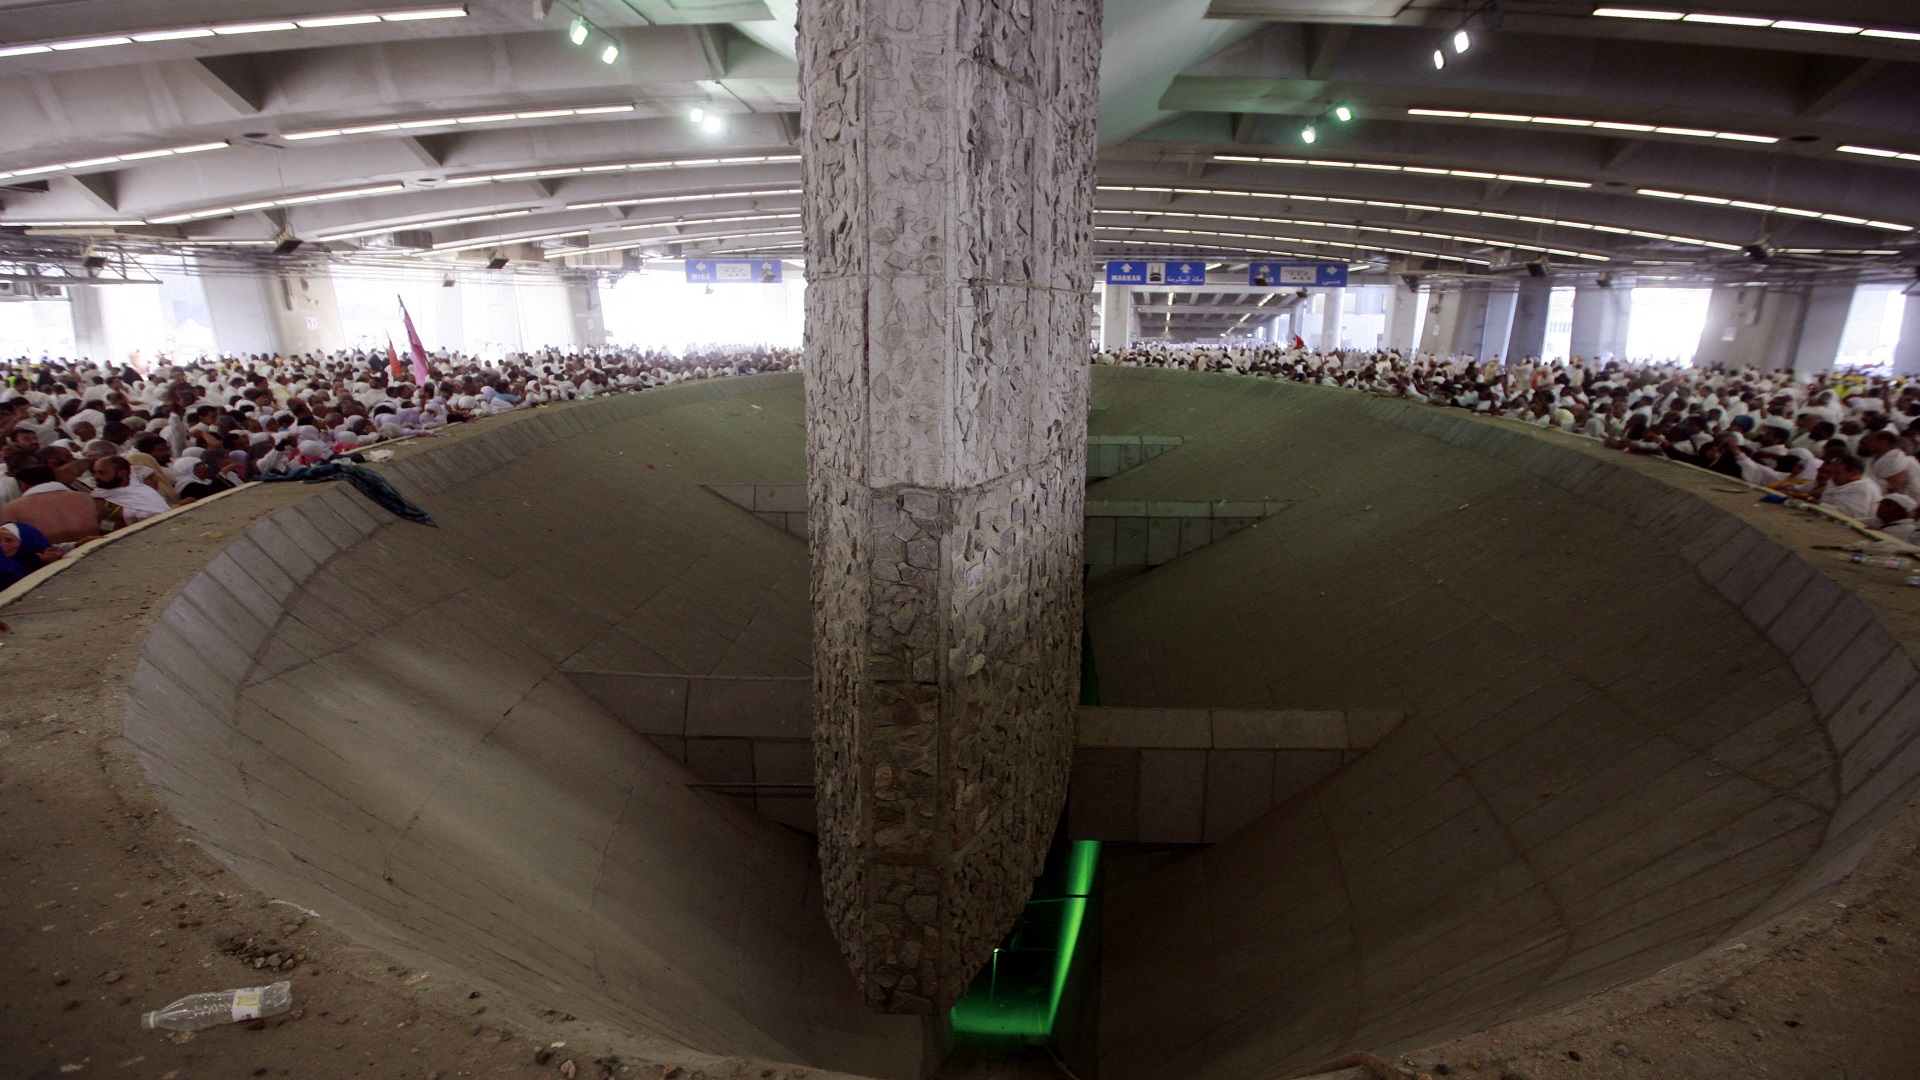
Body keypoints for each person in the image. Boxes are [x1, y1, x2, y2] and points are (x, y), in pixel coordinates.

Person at [1, 463, 100, 544]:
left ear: (22, 484)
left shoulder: (12, 508)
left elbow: (6, 544)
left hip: (50, 561)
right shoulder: (84, 497)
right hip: (96, 549)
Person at [89, 454, 171, 528]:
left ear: (122, 473)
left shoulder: (142, 494)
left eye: (101, 473)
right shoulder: (98, 494)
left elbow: (159, 524)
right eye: (94, 472)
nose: (96, 476)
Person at [1814, 452, 1882, 522]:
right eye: (1833, 472)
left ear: (1855, 473)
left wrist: (1818, 504)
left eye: (1837, 473)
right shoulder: (1837, 481)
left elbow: (1851, 515)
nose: (1833, 476)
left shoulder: (1863, 488)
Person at [0, 521, 60, 589]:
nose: (2, 545)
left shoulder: (44, 559)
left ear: (25, 541)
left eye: (9, 540)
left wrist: (51, 564)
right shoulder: (3, 567)